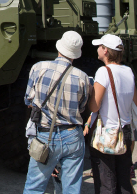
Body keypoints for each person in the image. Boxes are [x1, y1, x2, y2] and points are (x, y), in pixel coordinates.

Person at [23, 30, 91, 194]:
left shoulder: (38, 68)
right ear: (75, 54)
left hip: (46, 134)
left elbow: (28, 100)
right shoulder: (83, 77)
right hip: (73, 135)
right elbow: (82, 108)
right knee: (71, 187)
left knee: (34, 186)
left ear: (59, 47)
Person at [88, 34, 137, 194]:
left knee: (106, 183)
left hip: (108, 132)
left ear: (106, 51)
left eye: (100, 46)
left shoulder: (103, 71)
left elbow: (95, 106)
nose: (97, 49)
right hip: (126, 130)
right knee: (124, 182)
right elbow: (135, 102)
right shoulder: (128, 71)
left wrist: (89, 93)